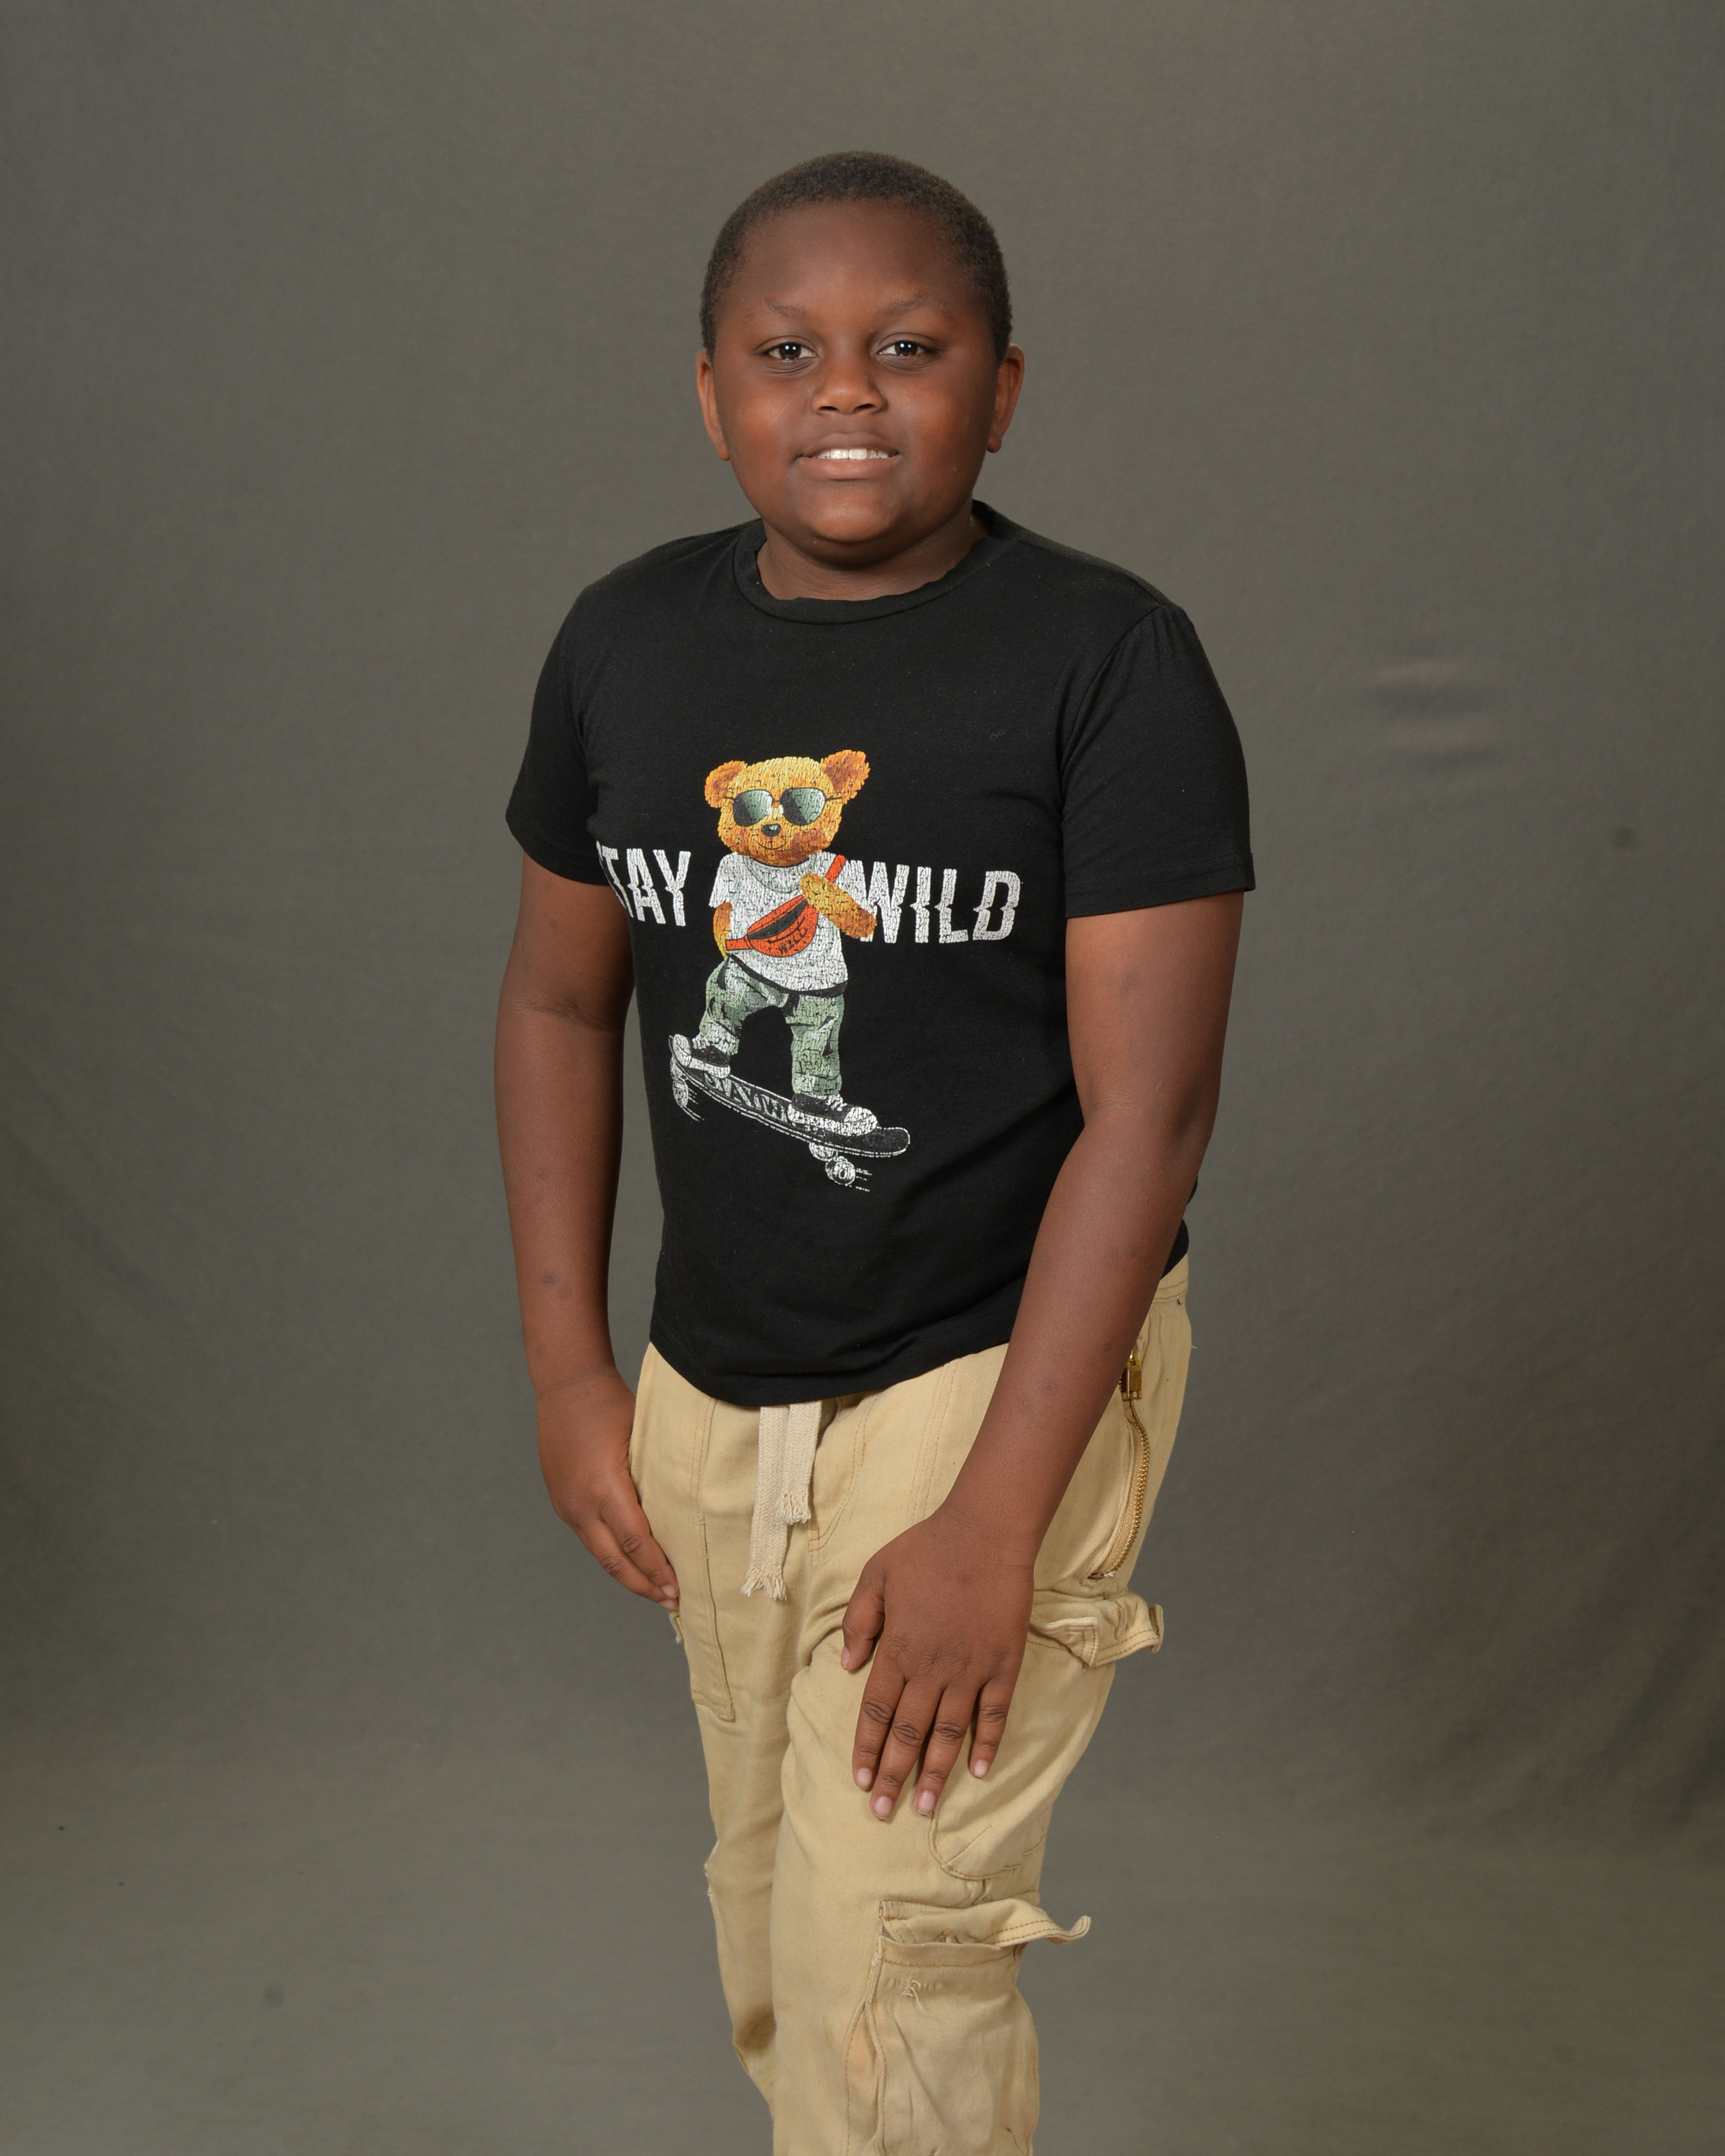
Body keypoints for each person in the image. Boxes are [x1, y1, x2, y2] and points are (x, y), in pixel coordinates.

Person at [496, 149, 1251, 2155]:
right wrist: (571, 1371)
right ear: (709, 391)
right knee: (773, 1927)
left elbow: (1151, 1117)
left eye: (909, 349)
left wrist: (1000, 1516)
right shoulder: (625, 644)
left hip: (988, 1375)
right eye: (788, 352)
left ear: (1003, 388)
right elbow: (559, 1005)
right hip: (714, 1386)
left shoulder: (1105, 659)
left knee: (885, 1968)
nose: (846, 390)